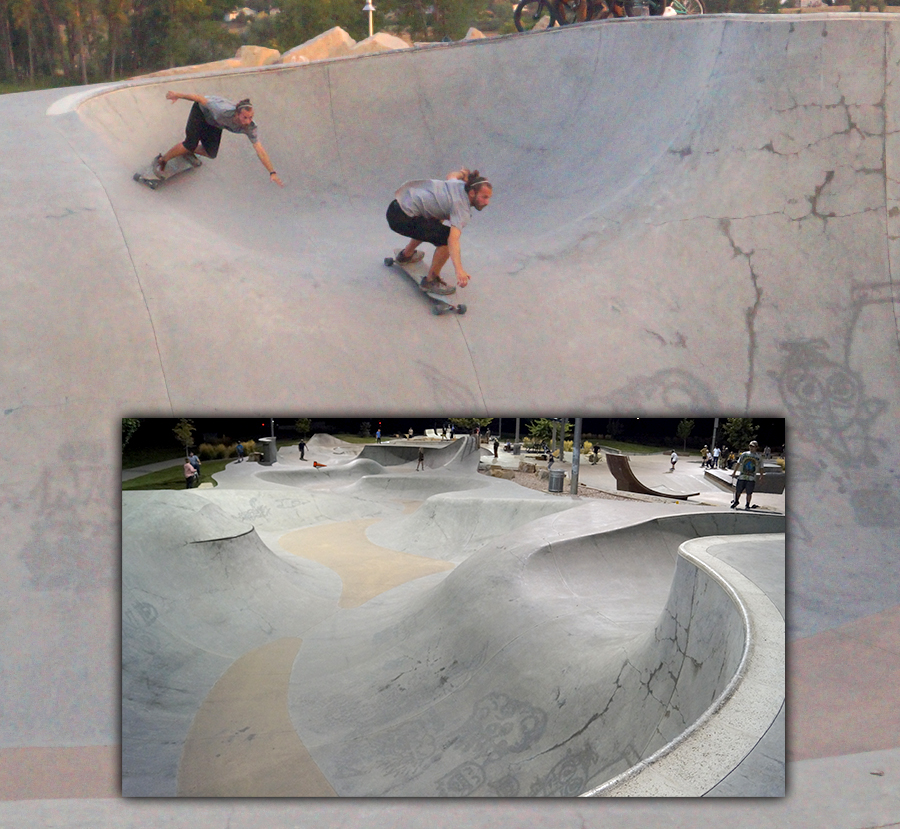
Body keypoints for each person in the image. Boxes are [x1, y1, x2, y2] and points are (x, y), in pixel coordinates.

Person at [387, 168, 492, 295]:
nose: (487, 202)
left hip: (395, 207)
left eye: (488, 198)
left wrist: (462, 174)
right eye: (484, 197)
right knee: (445, 238)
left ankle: (406, 255)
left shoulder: (458, 184)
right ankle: (431, 281)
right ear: (472, 193)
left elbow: (451, 175)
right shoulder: (461, 209)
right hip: (401, 220)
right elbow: (452, 240)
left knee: (436, 219)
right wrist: (459, 270)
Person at [156, 91, 284, 187]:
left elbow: (260, 150)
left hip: (214, 124)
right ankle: (162, 160)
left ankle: (186, 152)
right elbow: (200, 98)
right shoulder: (221, 110)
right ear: (236, 114)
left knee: (210, 153)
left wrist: (272, 172)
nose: (247, 121)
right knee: (190, 143)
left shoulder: (250, 128)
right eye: (244, 117)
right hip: (201, 112)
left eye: (250, 117)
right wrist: (177, 94)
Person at [731, 440, 765, 509]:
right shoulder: (744, 454)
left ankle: (747, 504)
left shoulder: (758, 457)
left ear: (756, 447)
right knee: (738, 490)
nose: (751, 448)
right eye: (750, 446)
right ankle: (736, 501)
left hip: (751, 477)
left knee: (749, 492)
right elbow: (738, 463)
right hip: (742, 476)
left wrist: (761, 476)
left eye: (753, 446)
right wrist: (734, 472)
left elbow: (761, 467)